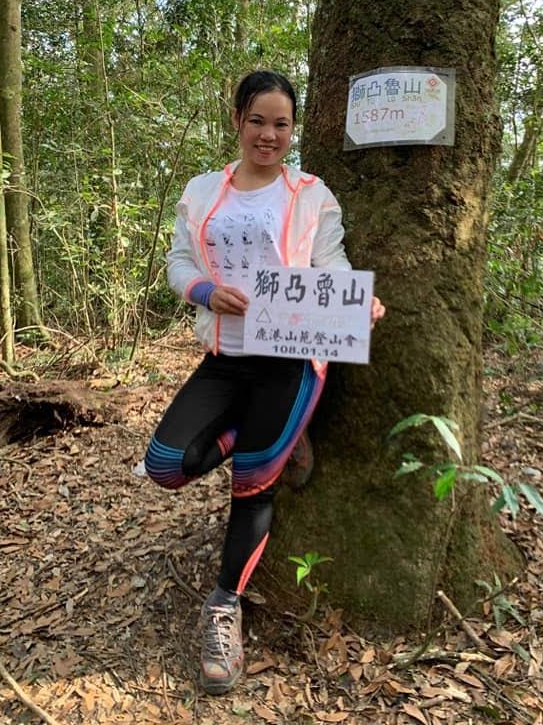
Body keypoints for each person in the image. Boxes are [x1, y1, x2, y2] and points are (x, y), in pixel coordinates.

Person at [144, 70, 385, 695]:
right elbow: (179, 261)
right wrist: (203, 290)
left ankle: (224, 606)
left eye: (281, 124)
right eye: (257, 121)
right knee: (165, 464)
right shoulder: (203, 191)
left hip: (291, 358)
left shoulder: (310, 194)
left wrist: (356, 302)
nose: (268, 135)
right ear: (237, 121)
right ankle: (267, 437)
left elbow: (330, 265)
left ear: (293, 129)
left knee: (251, 485)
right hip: (226, 356)